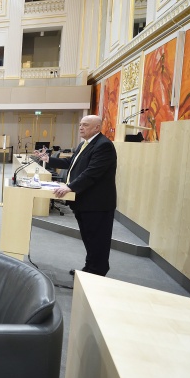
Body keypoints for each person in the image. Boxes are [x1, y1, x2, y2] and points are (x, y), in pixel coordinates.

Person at [36, 115, 117, 277]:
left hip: (97, 204)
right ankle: (90, 269)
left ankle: (97, 273)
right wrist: (48, 159)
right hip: (84, 201)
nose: (81, 127)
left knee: (97, 240)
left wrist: (70, 187)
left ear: (97, 127)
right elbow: (71, 163)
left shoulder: (104, 146)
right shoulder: (84, 144)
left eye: (85, 125)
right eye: (80, 124)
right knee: (89, 239)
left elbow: (92, 173)